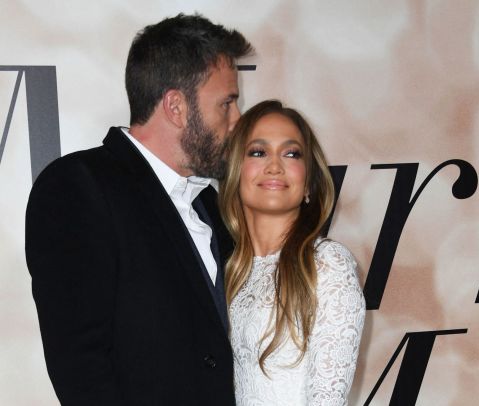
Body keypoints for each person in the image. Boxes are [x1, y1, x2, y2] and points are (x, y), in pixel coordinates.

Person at [25, 14, 252, 405]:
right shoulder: (78, 187)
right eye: (227, 104)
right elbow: (81, 367)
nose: (238, 121)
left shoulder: (213, 205)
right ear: (176, 107)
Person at [219, 100, 366, 405]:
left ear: (309, 183)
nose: (275, 165)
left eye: (291, 153)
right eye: (258, 152)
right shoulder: (227, 269)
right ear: (236, 172)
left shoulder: (327, 264)